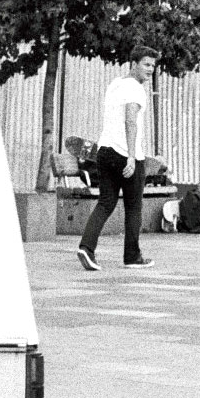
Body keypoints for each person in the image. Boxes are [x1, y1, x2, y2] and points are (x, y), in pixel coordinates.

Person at [77, 46, 158, 271]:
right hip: (126, 154)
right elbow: (130, 121)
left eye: (153, 66)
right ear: (134, 64)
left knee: (106, 203)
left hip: (104, 152)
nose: (150, 70)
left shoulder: (115, 84)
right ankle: (132, 257)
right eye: (146, 64)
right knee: (134, 207)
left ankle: (86, 247)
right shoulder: (135, 89)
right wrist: (132, 157)